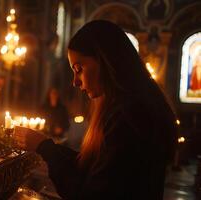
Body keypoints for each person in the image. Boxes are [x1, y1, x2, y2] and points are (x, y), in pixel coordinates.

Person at [14, 20, 177, 200]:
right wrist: (45, 145)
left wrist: (45, 147)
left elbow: (91, 193)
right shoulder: (132, 106)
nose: (75, 82)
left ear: (105, 60)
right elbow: (94, 166)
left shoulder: (130, 117)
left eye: (79, 69)